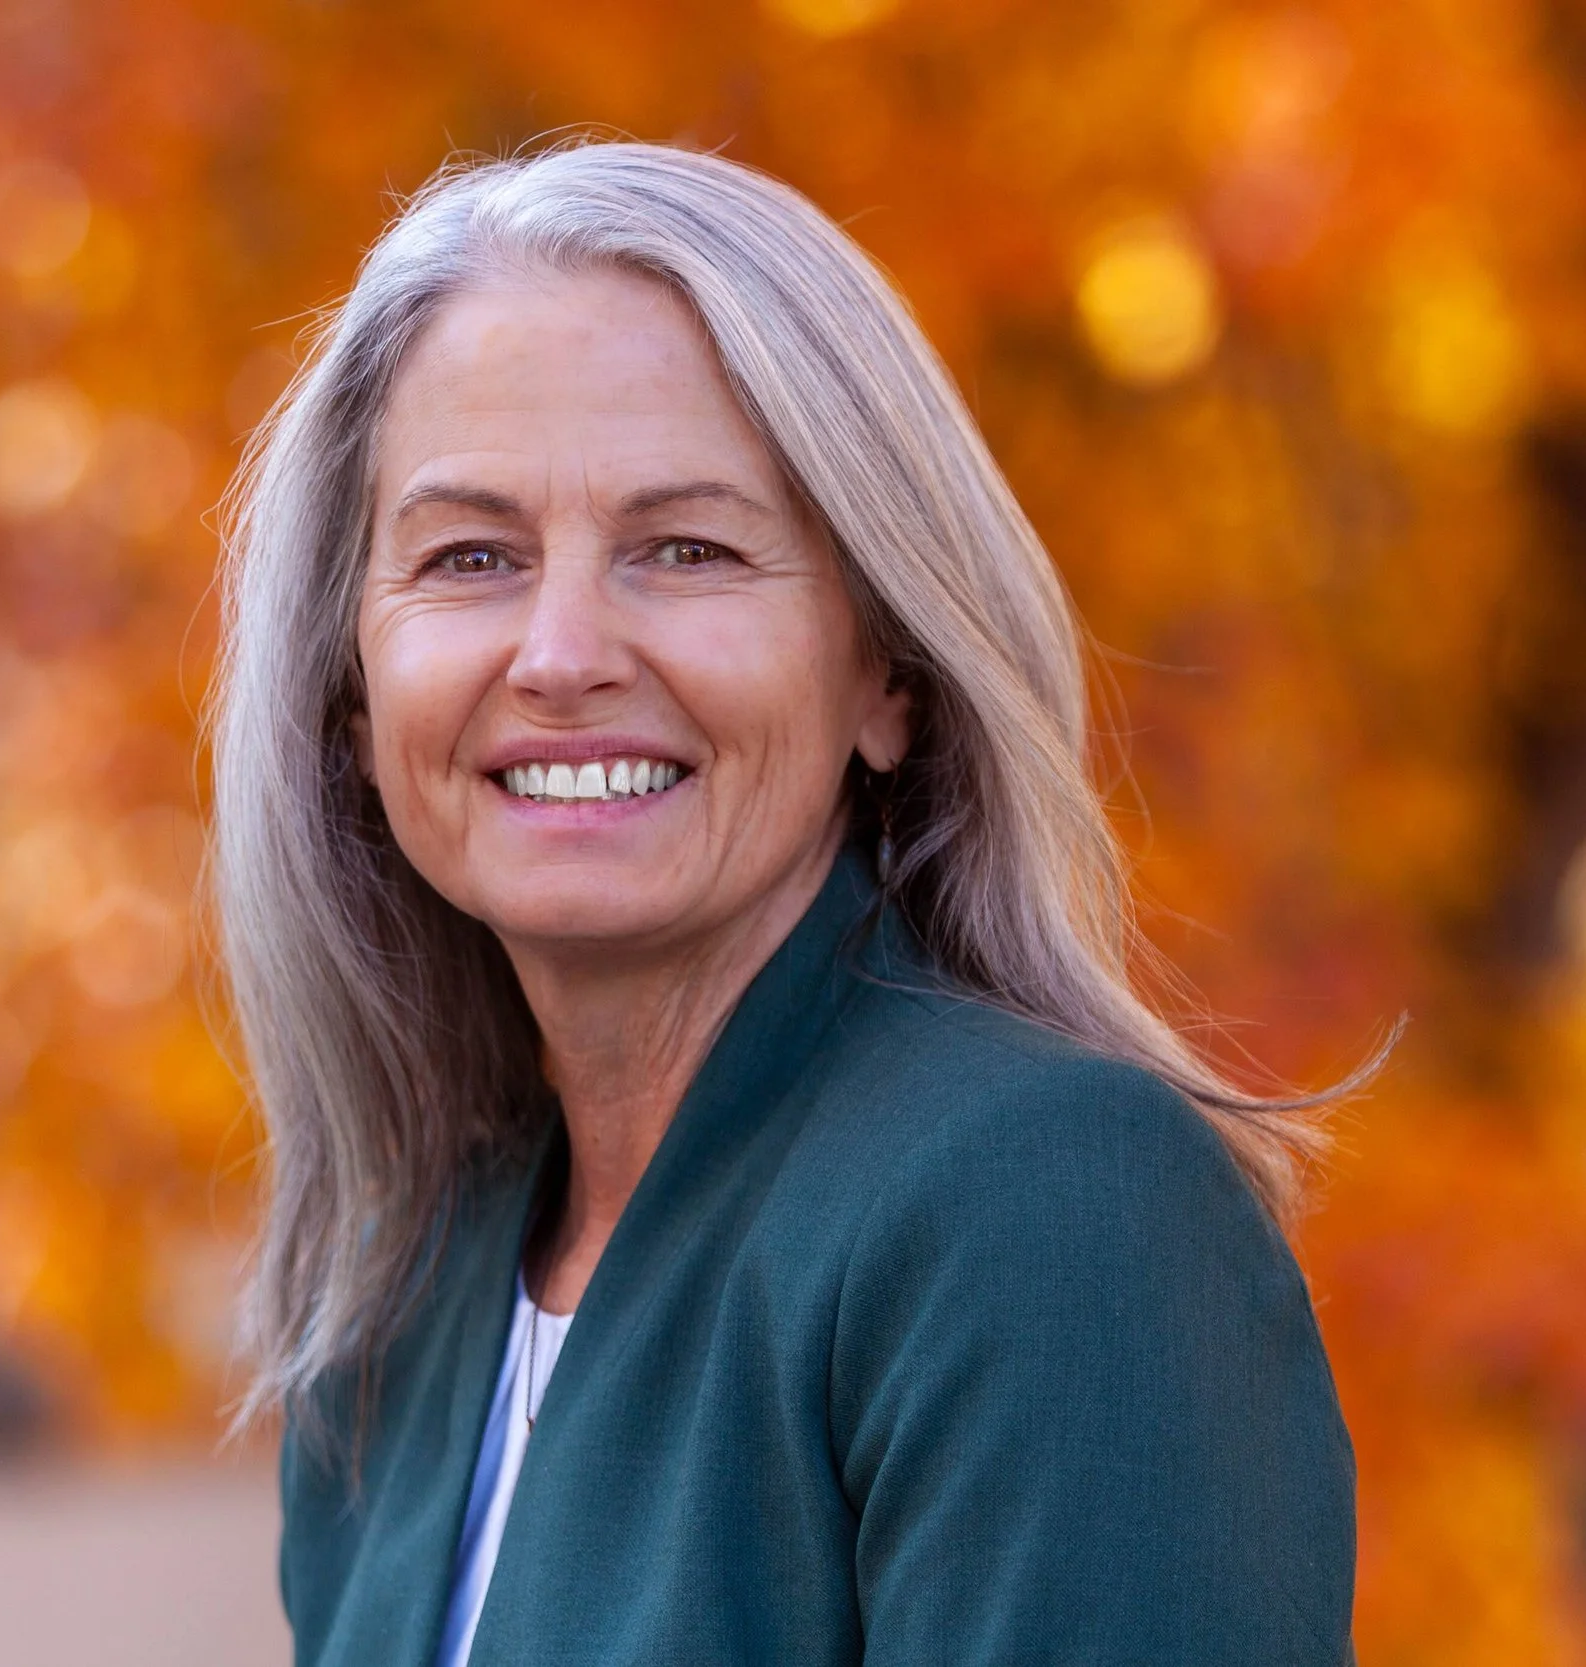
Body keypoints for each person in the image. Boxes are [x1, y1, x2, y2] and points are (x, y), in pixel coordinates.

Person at [210, 139, 1364, 1667]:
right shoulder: (399, 1307)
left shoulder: (1050, 1212)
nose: (561, 654)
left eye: (685, 548)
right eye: (470, 555)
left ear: (887, 669)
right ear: (349, 692)